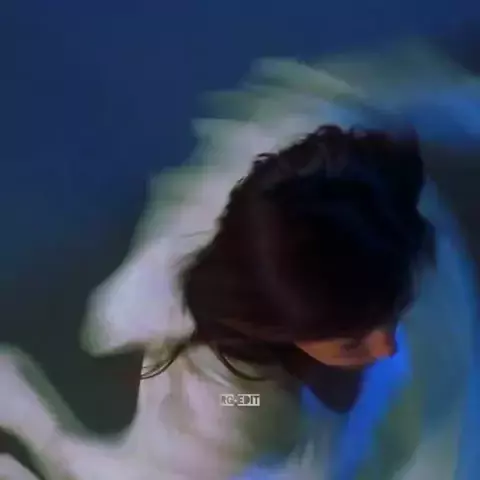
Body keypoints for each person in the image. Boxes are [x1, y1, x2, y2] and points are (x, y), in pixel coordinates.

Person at [0, 44, 478, 480]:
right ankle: (30, 412)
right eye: (353, 339)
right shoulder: (229, 410)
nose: (386, 346)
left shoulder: (313, 158)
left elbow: (357, 96)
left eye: (392, 310)